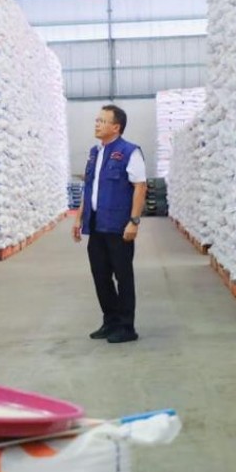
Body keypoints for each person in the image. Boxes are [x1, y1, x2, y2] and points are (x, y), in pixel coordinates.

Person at [72, 104, 147, 344]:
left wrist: (134, 221)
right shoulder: (95, 153)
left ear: (116, 127)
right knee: (100, 275)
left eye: (102, 121)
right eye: (97, 120)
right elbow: (89, 188)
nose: (97, 124)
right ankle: (110, 320)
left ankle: (126, 326)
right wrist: (79, 217)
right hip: (96, 225)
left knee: (123, 276)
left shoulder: (129, 152)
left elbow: (140, 187)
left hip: (118, 226)